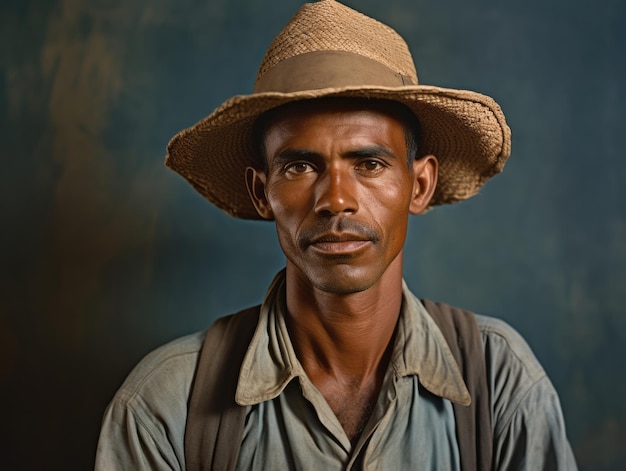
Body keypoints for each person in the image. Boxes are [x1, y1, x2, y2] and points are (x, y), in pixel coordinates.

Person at [95, 1, 577, 469]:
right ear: (262, 192)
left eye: (369, 164)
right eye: (300, 166)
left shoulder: (500, 382)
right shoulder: (165, 404)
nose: (337, 200)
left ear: (420, 184)